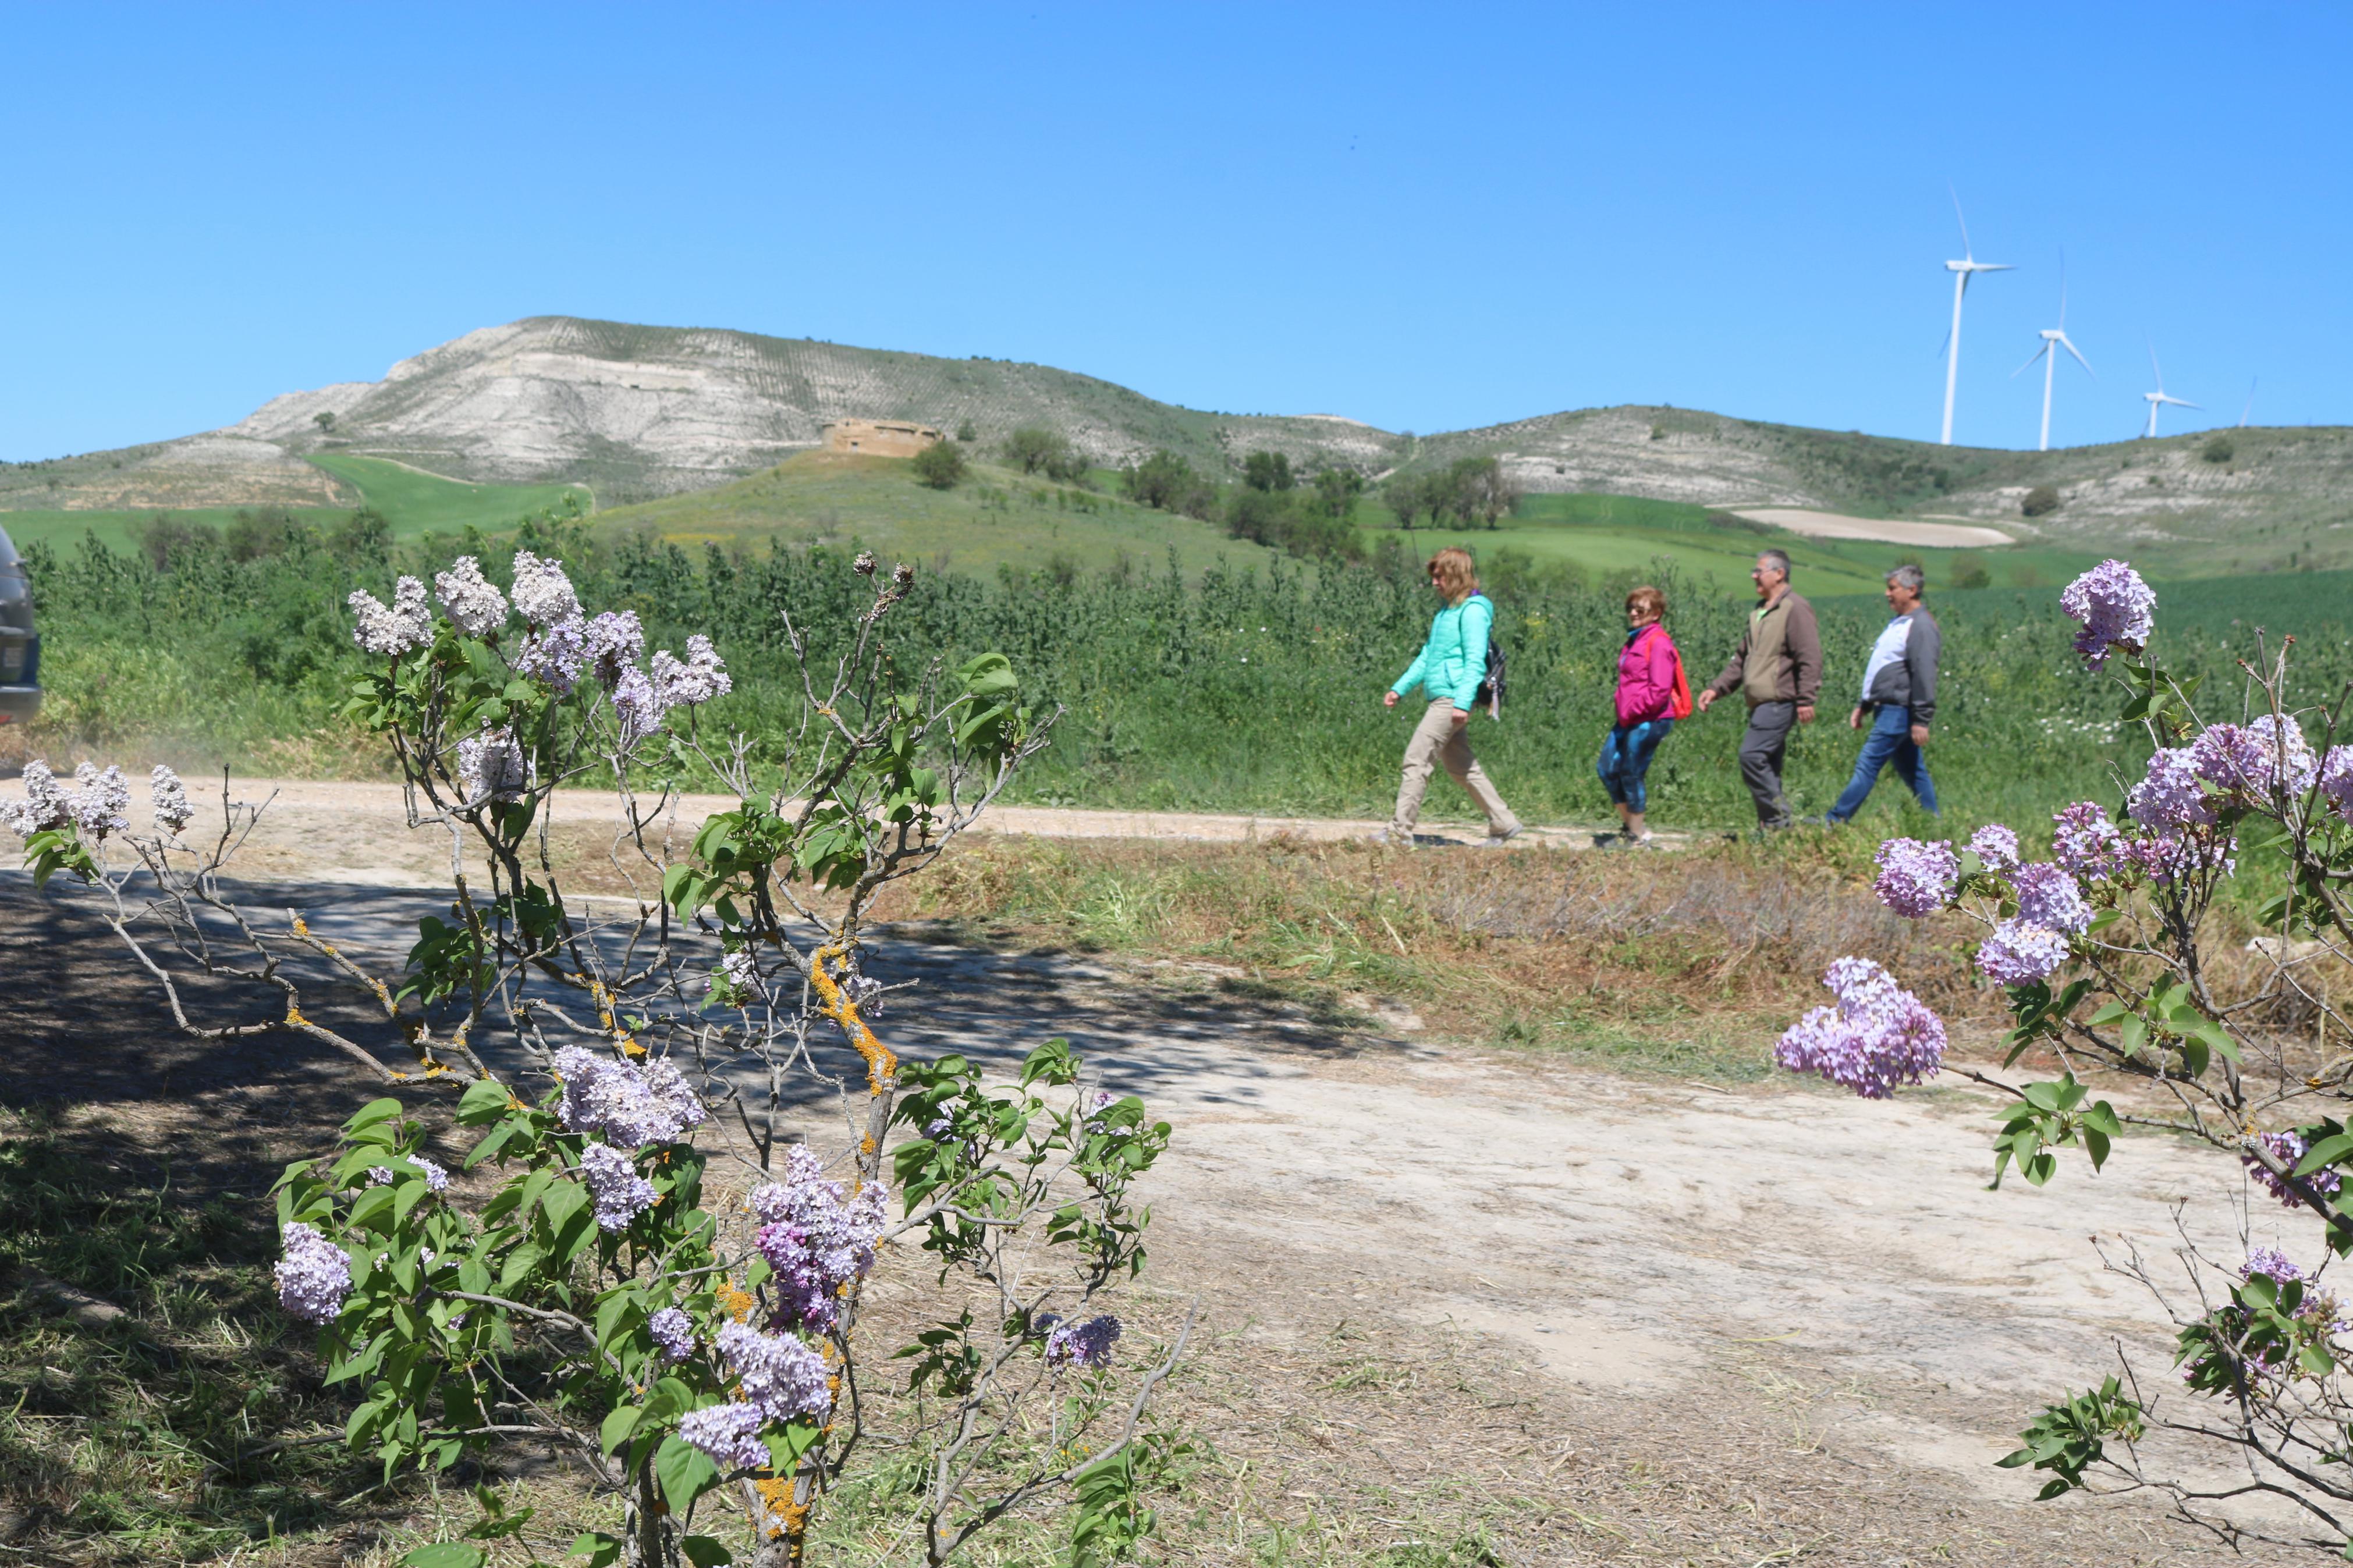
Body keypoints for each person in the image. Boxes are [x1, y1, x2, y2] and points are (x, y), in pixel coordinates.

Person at [1379, 547, 1522, 848]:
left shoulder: (1473, 611)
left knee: (1416, 760)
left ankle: (1398, 833)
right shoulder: (1447, 613)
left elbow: (1474, 661)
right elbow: (1427, 655)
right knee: (1461, 767)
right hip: (1444, 697)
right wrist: (1399, 688)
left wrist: (1461, 702)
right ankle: (1504, 824)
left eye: (1439, 577)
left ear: (1455, 575)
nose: (1434, 583)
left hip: (1451, 698)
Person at [1695, 549, 1821, 830]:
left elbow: (1809, 656)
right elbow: (1742, 658)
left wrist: (1806, 699)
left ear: (1779, 574)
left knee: (1751, 756)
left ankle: (1779, 822)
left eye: (1759, 570)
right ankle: (1772, 827)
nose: (1753, 575)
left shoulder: (1794, 608)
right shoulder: (1760, 611)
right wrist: (1717, 689)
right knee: (1768, 765)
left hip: (1780, 700)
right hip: (1760, 702)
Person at [1824, 563, 1940, 823]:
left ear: (1911, 590)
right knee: (1913, 770)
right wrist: (1864, 704)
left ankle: (1836, 819)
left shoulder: (1921, 626)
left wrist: (1922, 719)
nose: (1887, 594)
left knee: (1867, 765)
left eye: (1892, 588)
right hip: (1888, 707)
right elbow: (1883, 666)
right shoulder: (1900, 623)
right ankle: (1934, 822)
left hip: (1898, 710)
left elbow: (1924, 673)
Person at [1596, 584, 1685, 847]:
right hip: (1628, 718)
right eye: (1630, 608)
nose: (1634, 613)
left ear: (1656, 613)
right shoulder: (1635, 639)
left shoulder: (1658, 643)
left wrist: (1632, 710)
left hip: (1650, 719)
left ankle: (1634, 837)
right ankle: (1635, 828)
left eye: (1641, 609)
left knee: (1631, 772)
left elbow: (1659, 690)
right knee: (1607, 768)